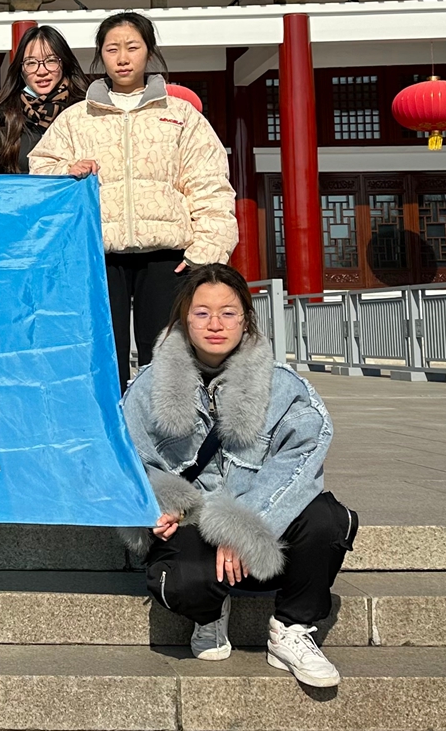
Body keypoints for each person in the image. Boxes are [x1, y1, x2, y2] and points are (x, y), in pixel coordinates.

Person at [124, 263, 356, 689]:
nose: (215, 324)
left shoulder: (283, 386)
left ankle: (292, 627)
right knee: (183, 583)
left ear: (246, 319)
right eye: (202, 313)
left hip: (265, 520)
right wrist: (158, 503)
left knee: (327, 519)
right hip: (194, 522)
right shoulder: (147, 387)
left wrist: (246, 522)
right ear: (183, 319)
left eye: (228, 313)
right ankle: (209, 614)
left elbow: (305, 450)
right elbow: (129, 462)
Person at [28, 12, 235, 385]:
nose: (122, 58)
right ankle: (111, 421)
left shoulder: (180, 115)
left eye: (132, 47)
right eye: (112, 49)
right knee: (102, 355)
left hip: (167, 258)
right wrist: (68, 169)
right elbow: (39, 170)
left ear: (149, 52)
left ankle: (165, 422)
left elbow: (209, 183)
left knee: (167, 356)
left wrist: (205, 252)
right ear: (100, 56)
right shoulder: (77, 118)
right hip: (100, 256)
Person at [0, 24, 89, 173]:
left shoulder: (85, 111)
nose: (42, 71)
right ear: (21, 70)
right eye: (31, 63)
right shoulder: (4, 118)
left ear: (64, 63)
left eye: (51, 60)